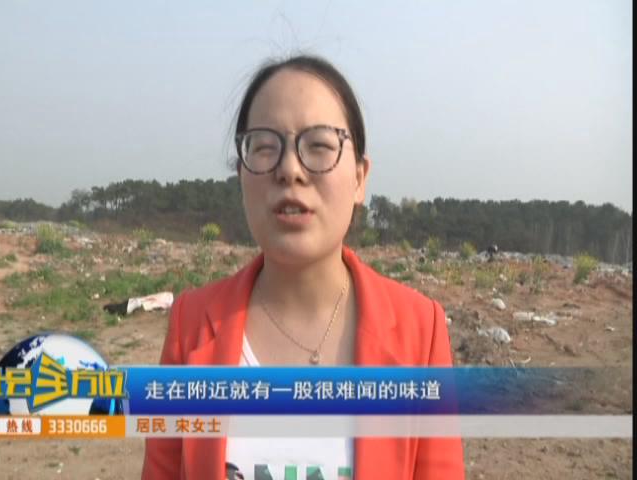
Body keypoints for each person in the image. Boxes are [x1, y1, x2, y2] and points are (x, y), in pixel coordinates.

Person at [142, 54, 464, 480]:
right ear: (241, 175)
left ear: (360, 179)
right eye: (264, 147)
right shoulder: (191, 324)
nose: (289, 170)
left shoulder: (420, 330)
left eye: (319, 146)